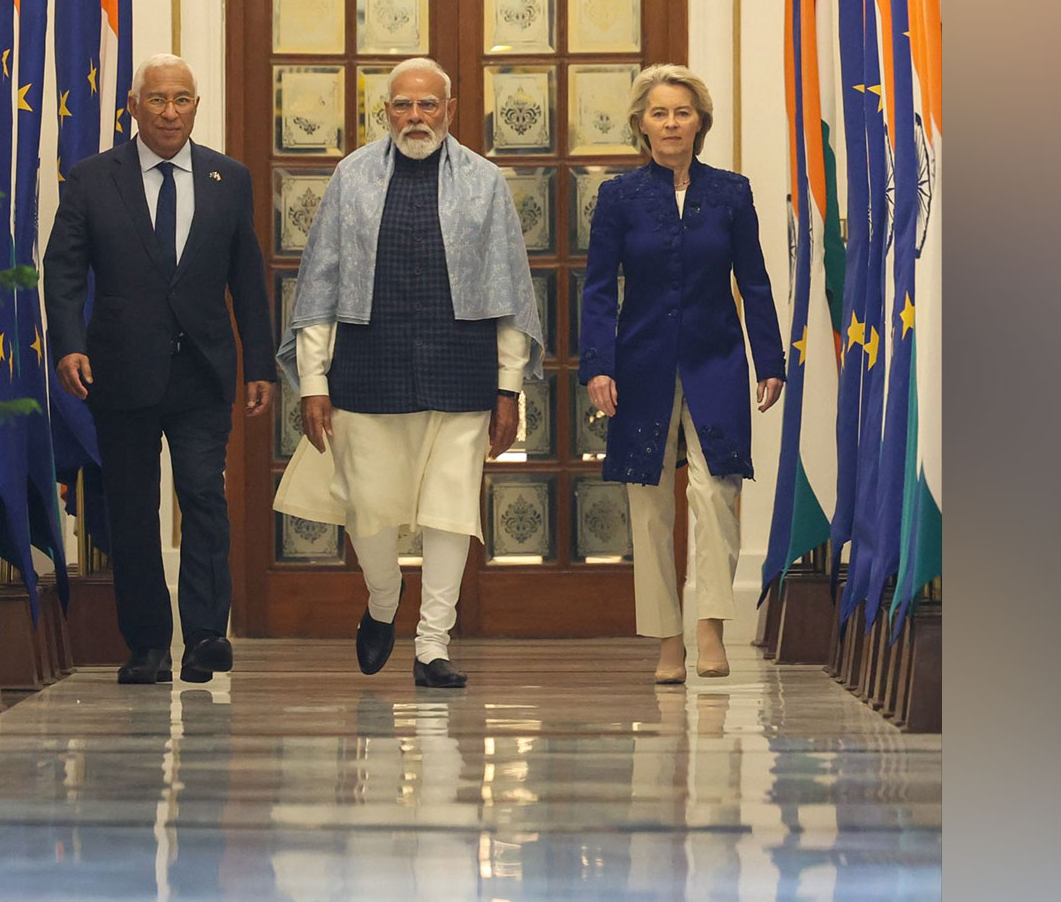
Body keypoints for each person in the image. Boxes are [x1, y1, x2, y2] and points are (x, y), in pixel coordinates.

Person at [273, 57, 544, 689]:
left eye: (428, 106)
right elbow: (321, 284)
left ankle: (432, 645)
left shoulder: (484, 183)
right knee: (368, 510)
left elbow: (508, 291)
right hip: (369, 369)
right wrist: (313, 382)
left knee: (451, 510)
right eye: (403, 105)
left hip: (461, 370)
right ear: (385, 112)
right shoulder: (352, 177)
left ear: (450, 111)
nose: (415, 117)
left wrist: (508, 388)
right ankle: (383, 601)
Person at [43, 54, 275, 685]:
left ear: (196, 106)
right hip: (119, 372)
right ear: (133, 106)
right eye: (157, 100)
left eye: (182, 100)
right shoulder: (93, 179)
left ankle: (205, 637)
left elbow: (247, 279)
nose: (170, 112)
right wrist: (67, 344)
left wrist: (261, 362)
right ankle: (146, 643)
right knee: (133, 508)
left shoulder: (230, 178)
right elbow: (62, 271)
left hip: (202, 371)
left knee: (204, 496)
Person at [579, 64, 785, 683]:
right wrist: (598, 366)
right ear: (641, 124)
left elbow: (753, 280)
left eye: (683, 112)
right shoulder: (618, 197)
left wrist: (770, 359)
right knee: (648, 506)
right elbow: (596, 290)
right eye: (660, 113)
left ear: (701, 122)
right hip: (639, 364)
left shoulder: (732, 193)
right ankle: (669, 641)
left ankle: (711, 630)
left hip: (716, 357)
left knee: (717, 495)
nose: (671, 123)